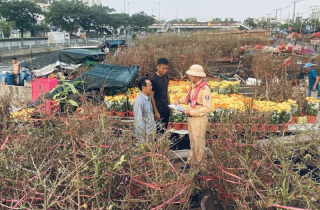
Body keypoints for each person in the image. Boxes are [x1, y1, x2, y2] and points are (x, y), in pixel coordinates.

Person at [173, 64, 212, 169]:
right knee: (193, 142)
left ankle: (201, 166)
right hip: (191, 119)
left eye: (191, 75)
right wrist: (179, 101)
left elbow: (207, 108)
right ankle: (191, 162)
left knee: (199, 144)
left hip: (198, 119)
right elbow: (188, 98)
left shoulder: (204, 88)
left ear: (197, 76)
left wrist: (191, 112)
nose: (189, 76)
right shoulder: (193, 86)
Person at [150, 57, 171, 133]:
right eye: (163, 68)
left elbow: (166, 91)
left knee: (165, 130)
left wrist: (170, 105)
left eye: (166, 68)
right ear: (158, 67)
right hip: (159, 109)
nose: (165, 70)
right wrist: (156, 112)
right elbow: (151, 97)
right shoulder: (153, 79)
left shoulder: (166, 77)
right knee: (159, 131)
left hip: (166, 108)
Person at [133, 76, 157, 143]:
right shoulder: (138, 101)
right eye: (149, 85)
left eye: (151, 85)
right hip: (144, 136)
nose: (151, 87)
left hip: (151, 132)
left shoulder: (148, 97)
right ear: (143, 88)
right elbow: (138, 121)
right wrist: (143, 137)